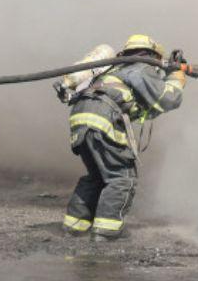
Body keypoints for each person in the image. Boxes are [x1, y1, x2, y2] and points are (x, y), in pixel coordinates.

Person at [61, 34, 187, 240]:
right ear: (151, 54)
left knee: (97, 176)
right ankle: (106, 232)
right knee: (121, 178)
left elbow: (147, 106)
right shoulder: (140, 68)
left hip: (82, 117)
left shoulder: (115, 68)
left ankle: (74, 227)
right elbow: (166, 99)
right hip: (103, 119)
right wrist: (176, 79)